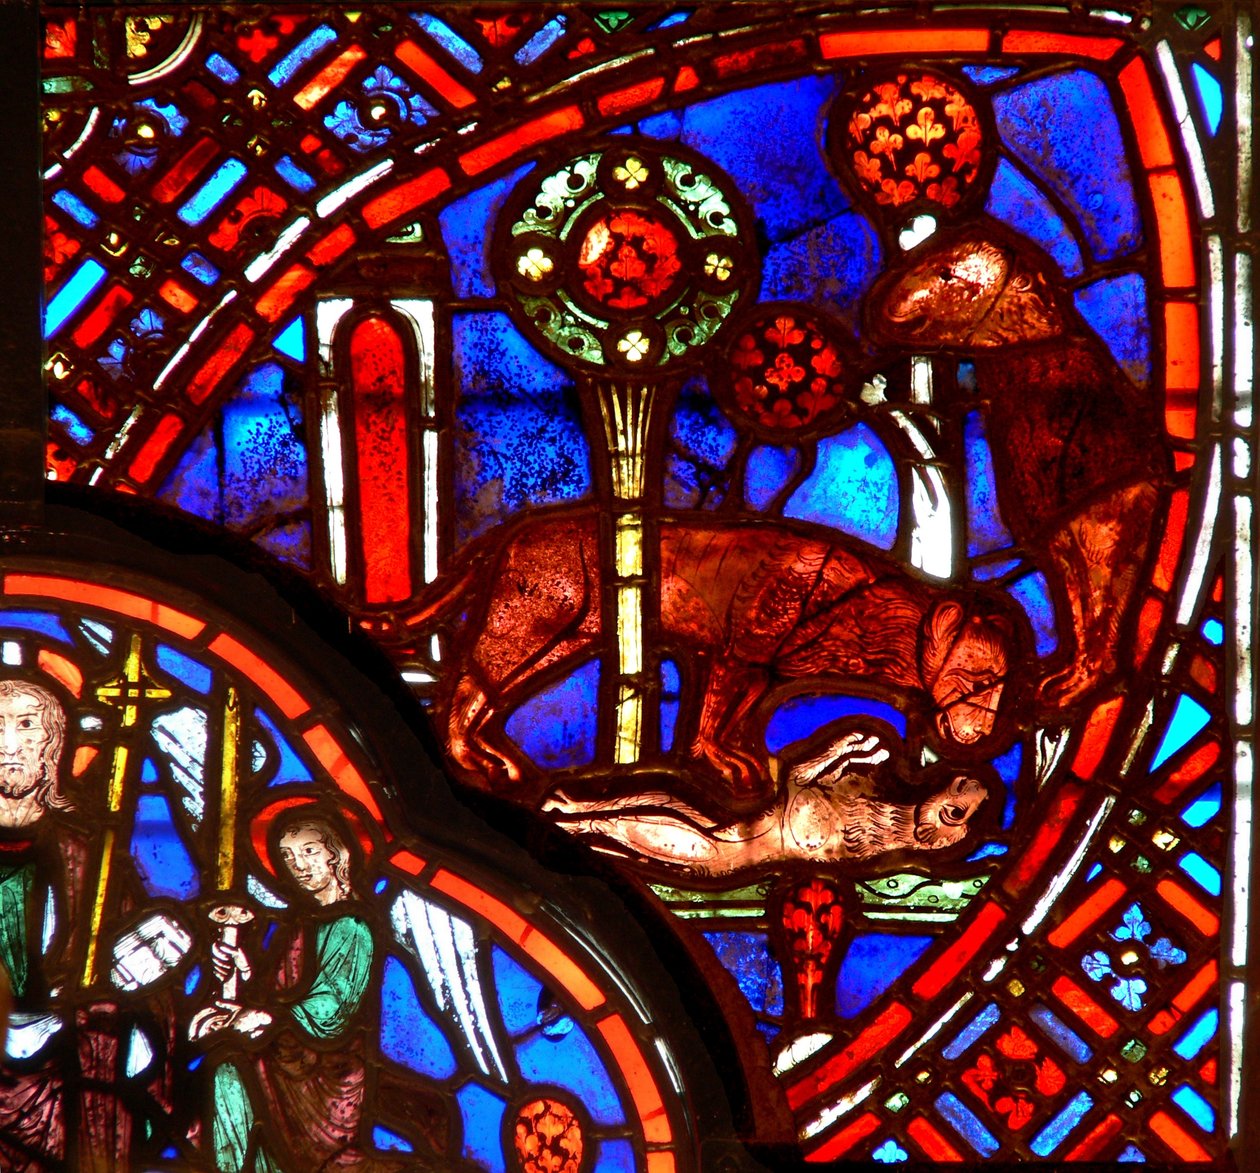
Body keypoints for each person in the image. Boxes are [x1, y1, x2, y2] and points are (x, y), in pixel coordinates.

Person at [191, 814, 440, 1172]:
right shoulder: (301, 923)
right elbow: (278, 992)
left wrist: (265, 1018)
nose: (298, 865)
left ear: (336, 854)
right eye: (288, 856)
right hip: (285, 1056)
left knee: (229, 1070)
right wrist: (243, 970)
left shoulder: (353, 924)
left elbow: (332, 1009)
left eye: (309, 851)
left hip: (326, 1071)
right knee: (223, 1070)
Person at [0, 677, 168, 1170]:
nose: (9, 743)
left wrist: (127, 990)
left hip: (71, 1080)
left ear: (54, 744)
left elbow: (152, 1006)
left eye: (26, 725)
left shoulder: (93, 858)